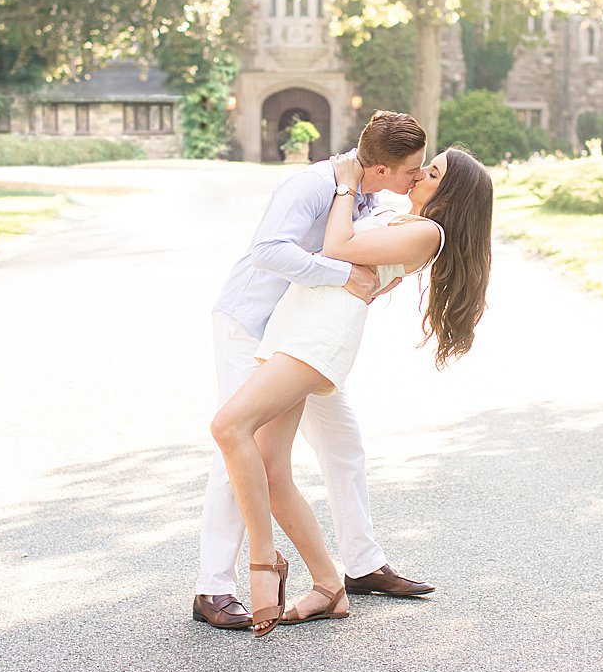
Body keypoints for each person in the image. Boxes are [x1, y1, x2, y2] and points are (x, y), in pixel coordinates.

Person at [210, 145, 495, 637]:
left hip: (316, 337)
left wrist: (343, 185)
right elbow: (345, 250)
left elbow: (337, 247)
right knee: (273, 469)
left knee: (229, 425)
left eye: (433, 171)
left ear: (449, 194)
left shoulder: (428, 232)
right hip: (294, 327)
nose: (421, 174)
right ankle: (328, 588)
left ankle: (262, 560)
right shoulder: (401, 220)